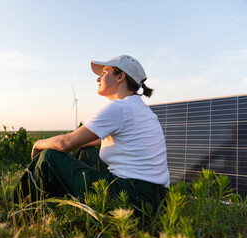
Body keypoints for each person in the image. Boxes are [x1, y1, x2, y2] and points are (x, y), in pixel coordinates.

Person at [10, 55, 170, 212]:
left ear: (121, 76)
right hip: (157, 198)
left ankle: (15, 206)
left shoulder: (118, 108)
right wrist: (74, 147)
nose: (98, 79)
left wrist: (38, 144)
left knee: (49, 158)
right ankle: (55, 199)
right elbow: (98, 141)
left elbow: (65, 143)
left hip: (130, 198)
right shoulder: (141, 109)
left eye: (104, 73)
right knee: (87, 153)